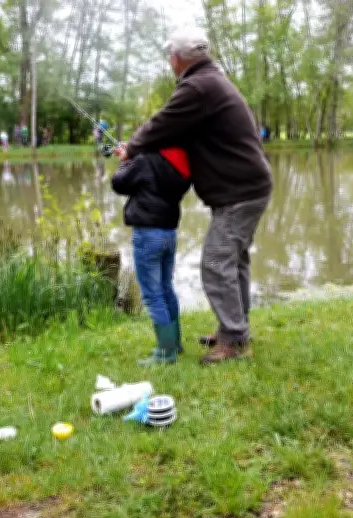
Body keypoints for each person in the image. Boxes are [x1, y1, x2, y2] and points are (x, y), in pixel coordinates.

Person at [116, 27, 273, 365]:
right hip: (247, 186)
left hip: (240, 191)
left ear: (177, 58)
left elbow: (162, 123)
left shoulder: (198, 87)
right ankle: (235, 329)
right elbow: (176, 129)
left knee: (216, 263)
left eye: (169, 56)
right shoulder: (211, 80)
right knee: (234, 261)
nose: (169, 61)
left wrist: (131, 148)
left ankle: (234, 342)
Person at [111, 146, 192, 366]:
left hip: (147, 233)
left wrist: (126, 160)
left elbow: (119, 183)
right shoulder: (181, 163)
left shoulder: (146, 160)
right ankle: (174, 344)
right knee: (166, 288)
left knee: (153, 295)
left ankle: (165, 354)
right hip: (169, 233)